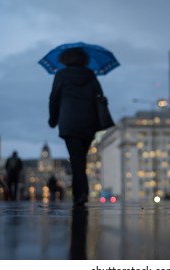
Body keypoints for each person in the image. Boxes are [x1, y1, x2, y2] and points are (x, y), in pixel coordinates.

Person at [48, 47, 103, 207]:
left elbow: (54, 98)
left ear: (65, 59)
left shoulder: (61, 75)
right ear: (84, 60)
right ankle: (82, 192)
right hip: (89, 122)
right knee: (81, 158)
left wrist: (53, 119)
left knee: (76, 159)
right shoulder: (90, 75)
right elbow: (99, 96)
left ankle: (80, 193)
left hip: (69, 122)